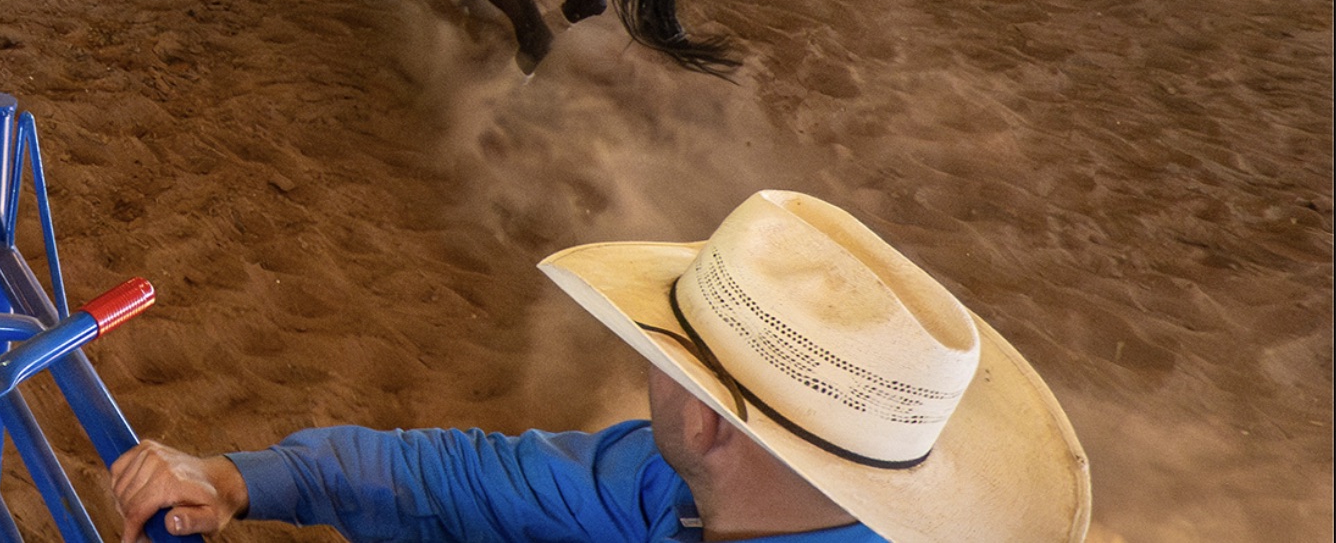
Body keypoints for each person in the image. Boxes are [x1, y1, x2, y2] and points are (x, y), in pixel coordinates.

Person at [108, 190, 1092, 543]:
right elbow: (470, 479)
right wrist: (243, 478)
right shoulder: (682, 487)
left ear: (705, 419)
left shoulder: (677, 487)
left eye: (664, 358)